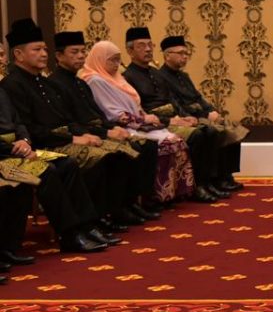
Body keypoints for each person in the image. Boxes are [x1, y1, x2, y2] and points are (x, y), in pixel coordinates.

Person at [2, 19, 152, 231]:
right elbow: (31, 129)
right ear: (18, 54)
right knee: (87, 159)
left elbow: (67, 120)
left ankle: (103, 216)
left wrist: (87, 134)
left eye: (45, 49)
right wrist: (73, 138)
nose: (44, 54)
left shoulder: (44, 83)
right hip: (43, 146)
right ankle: (86, 224)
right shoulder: (13, 85)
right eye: (37, 49)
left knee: (116, 153)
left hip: (55, 141)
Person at [48, 30, 162, 210]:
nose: (80, 56)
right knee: (117, 154)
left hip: (96, 131)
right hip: (80, 135)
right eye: (74, 52)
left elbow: (97, 115)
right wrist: (105, 132)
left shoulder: (80, 82)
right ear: (59, 56)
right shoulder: (54, 83)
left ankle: (131, 204)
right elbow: (70, 122)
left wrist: (112, 128)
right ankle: (108, 211)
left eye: (82, 51)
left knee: (146, 145)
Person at [80, 40, 196, 204]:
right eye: (111, 60)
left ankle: (174, 193)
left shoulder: (116, 77)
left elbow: (136, 105)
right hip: (122, 126)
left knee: (177, 141)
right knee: (165, 144)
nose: (116, 64)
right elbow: (113, 113)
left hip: (140, 122)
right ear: (99, 59)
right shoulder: (95, 80)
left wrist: (149, 118)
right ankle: (154, 197)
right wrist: (143, 120)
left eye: (118, 60)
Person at [123, 27, 228, 202]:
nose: (148, 49)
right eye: (142, 46)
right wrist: (171, 119)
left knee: (209, 131)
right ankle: (196, 186)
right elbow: (140, 111)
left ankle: (208, 181)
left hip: (174, 118)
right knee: (198, 135)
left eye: (150, 45)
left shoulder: (156, 74)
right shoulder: (128, 77)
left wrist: (184, 116)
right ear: (130, 51)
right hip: (155, 124)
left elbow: (173, 100)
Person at [0, 87, 111, 253]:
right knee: (46, 171)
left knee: (66, 162)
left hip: (23, 149)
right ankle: (69, 235)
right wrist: (15, 148)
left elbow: (18, 122)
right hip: (6, 154)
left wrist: (24, 140)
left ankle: (86, 225)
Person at [157, 35, 246, 192]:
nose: (184, 57)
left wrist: (212, 111)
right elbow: (174, 105)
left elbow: (198, 98)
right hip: (189, 117)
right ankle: (211, 179)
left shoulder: (184, 76)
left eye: (186, 54)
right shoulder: (161, 77)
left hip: (200, 113)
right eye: (180, 53)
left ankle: (226, 175)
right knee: (214, 131)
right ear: (167, 55)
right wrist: (202, 118)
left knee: (230, 127)